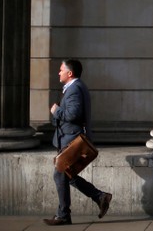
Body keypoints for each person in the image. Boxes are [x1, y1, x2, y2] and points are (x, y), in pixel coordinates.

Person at [44, 59, 113, 226]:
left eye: (61, 70)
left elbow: (73, 114)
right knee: (67, 175)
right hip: (68, 137)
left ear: (70, 73)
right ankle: (99, 197)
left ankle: (64, 215)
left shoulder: (74, 89)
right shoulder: (74, 87)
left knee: (60, 173)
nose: (58, 73)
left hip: (71, 139)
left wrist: (56, 111)